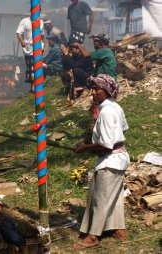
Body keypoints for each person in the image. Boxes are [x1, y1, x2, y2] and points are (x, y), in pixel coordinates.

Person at [74, 74, 129, 250]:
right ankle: (119, 230)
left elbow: (106, 143)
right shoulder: (116, 107)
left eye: (97, 89)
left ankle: (93, 237)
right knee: (115, 196)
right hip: (119, 158)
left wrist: (85, 147)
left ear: (106, 91)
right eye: (93, 89)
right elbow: (123, 128)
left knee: (101, 199)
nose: (93, 92)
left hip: (110, 161)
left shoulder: (106, 111)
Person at [16, 17, 44, 87]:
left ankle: (35, 86)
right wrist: (22, 41)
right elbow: (18, 32)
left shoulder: (41, 22)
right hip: (28, 48)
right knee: (30, 66)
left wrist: (43, 45)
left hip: (37, 47)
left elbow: (42, 35)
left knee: (36, 66)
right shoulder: (24, 21)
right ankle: (32, 86)